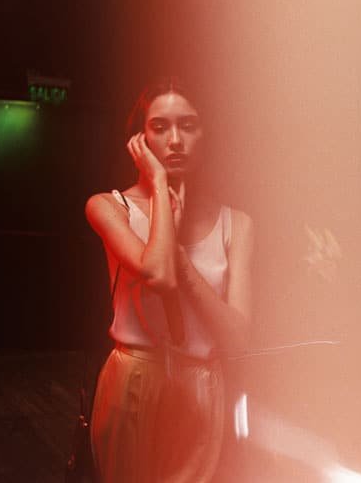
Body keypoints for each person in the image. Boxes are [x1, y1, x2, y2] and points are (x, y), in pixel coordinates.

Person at [84, 77, 254, 482]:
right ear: (139, 140)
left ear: (204, 134)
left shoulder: (237, 223)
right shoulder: (110, 207)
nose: (175, 140)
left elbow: (238, 338)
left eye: (188, 125)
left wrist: (178, 254)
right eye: (160, 127)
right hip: (135, 378)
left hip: (202, 385)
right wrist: (160, 184)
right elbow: (158, 275)